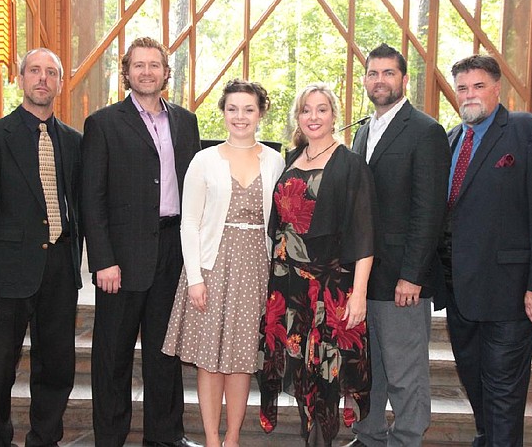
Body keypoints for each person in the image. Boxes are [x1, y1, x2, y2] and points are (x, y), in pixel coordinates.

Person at [436, 54, 532, 447]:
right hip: (462, 293)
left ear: (497, 88)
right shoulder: (452, 139)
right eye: (462, 87)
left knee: (503, 390)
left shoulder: (529, 132)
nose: (469, 95)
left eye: (478, 86)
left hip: (512, 292)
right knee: (475, 379)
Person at [82, 37, 201, 447]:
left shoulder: (187, 121)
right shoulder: (103, 123)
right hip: (122, 258)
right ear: (126, 72)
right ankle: (111, 438)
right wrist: (102, 260)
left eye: (155, 65)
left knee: (165, 355)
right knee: (112, 356)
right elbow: (91, 199)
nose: (147, 72)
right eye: (139, 65)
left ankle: (165, 436)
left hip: (172, 251)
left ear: (167, 72)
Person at [0, 48, 83, 447]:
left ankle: (44, 440)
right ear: (20, 78)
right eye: (35, 70)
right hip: (6, 273)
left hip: (59, 271)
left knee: (56, 369)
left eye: (51, 72)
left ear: (60, 83)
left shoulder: (74, 141)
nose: (43, 78)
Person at [162, 79, 285, 447]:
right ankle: (212, 439)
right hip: (212, 267)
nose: (240, 116)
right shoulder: (204, 160)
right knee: (209, 358)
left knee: (241, 356)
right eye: (233, 109)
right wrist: (195, 277)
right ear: (223, 112)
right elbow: (190, 223)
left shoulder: (275, 161)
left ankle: (232, 438)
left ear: (260, 113)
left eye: (248, 109)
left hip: (255, 268)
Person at [257, 83, 375, 447]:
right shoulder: (290, 159)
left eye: (321, 109)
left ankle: (320, 440)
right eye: (306, 110)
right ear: (298, 116)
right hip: (286, 282)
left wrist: (359, 295)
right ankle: (309, 433)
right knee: (300, 365)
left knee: (326, 368)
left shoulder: (351, 164)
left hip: (329, 286)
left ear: (334, 115)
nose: (313, 116)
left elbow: (364, 234)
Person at [348, 43, 451, 447]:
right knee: (367, 366)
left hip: (401, 280)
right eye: (373, 73)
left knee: (406, 370)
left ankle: (407, 438)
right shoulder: (361, 132)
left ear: (404, 80)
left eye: (388, 73)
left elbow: (430, 212)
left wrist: (412, 276)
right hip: (364, 275)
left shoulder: (425, 131)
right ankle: (369, 434)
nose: (380, 80)